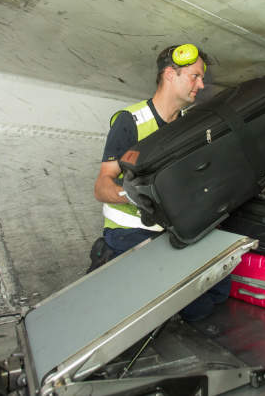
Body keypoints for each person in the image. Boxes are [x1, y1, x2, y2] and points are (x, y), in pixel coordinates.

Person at [91, 43, 231, 322]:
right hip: (129, 231)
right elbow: (101, 186)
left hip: (172, 229)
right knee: (197, 305)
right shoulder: (131, 122)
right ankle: (111, 259)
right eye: (195, 76)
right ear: (170, 75)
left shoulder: (189, 125)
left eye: (201, 78)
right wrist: (136, 197)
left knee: (219, 287)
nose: (201, 85)